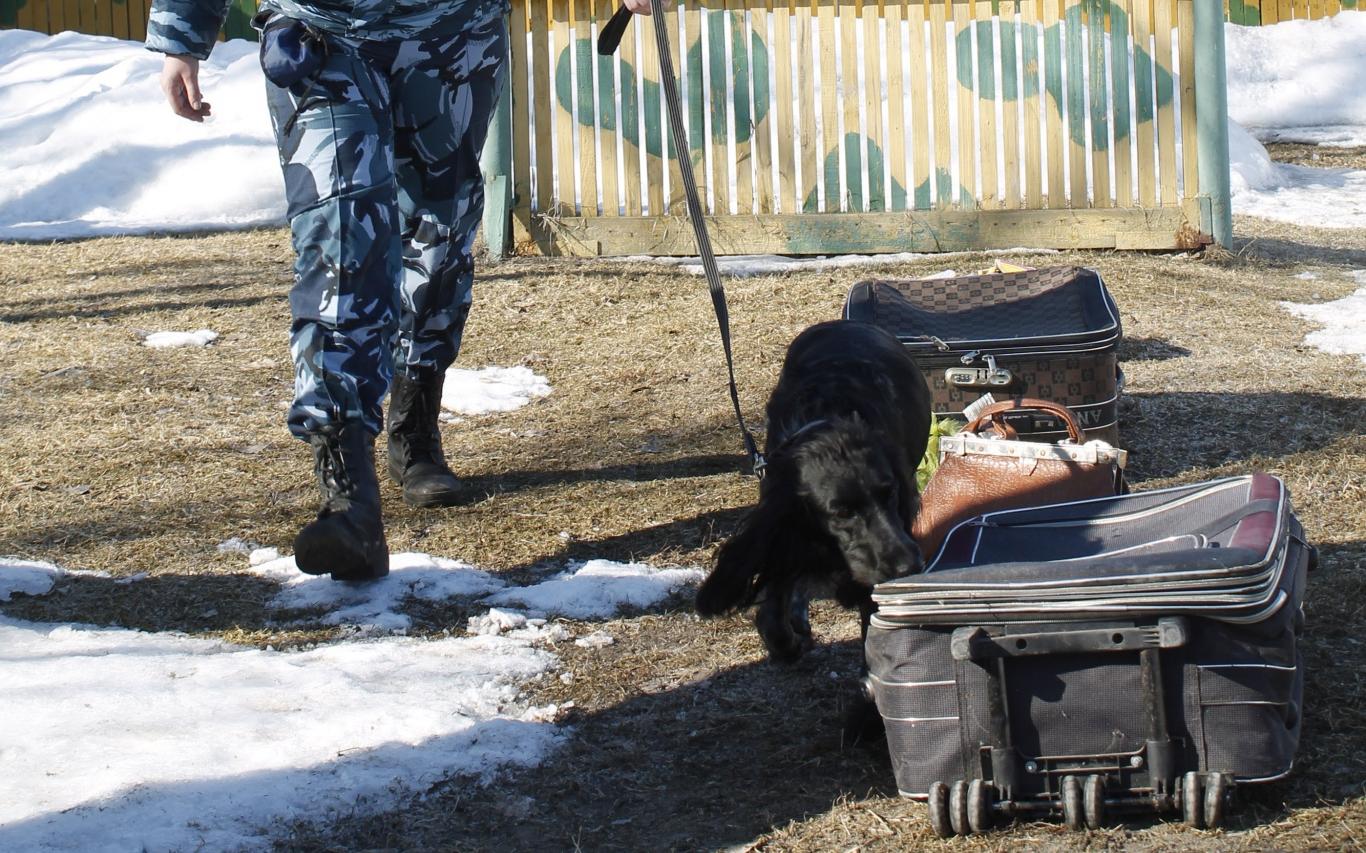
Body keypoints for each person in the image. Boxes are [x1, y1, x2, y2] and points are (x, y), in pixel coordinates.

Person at [148, 0, 654, 581]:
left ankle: (414, 424)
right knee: (341, 237)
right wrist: (181, 35)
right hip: (323, 36)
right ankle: (348, 491)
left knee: (440, 236)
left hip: (450, 34)